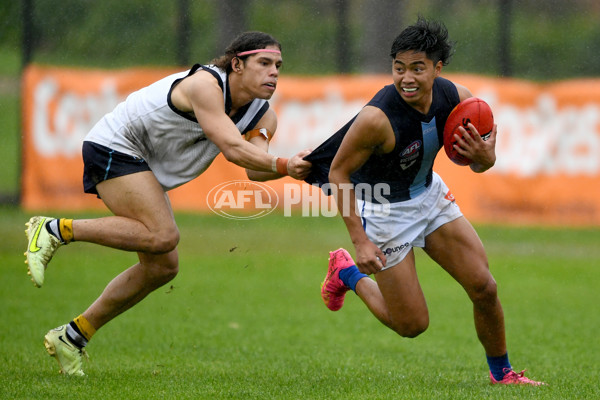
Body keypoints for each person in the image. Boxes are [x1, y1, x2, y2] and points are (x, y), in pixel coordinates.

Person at [24, 31, 311, 376]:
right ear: (237, 64)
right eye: (264, 63)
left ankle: (72, 337)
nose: (274, 72)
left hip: (142, 164)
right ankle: (54, 229)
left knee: (162, 267)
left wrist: (302, 167)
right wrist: (285, 164)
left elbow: (253, 167)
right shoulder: (207, 84)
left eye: (278, 65)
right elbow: (234, 149)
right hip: (115, 145)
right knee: (163, 236)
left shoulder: (264, 117)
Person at [305, 18, 545, 386]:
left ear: (437, 67)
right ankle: (347, 272)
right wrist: (361, 242)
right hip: (385, 211)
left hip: (430, 196)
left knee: (485, 287)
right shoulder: (376, 119)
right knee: (412, 325)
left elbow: (478, 165)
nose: (407, 78)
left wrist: (487, 158)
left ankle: (504, 375)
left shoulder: (457, 99)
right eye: (398, 69)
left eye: (417, 68)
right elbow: (338, 174)